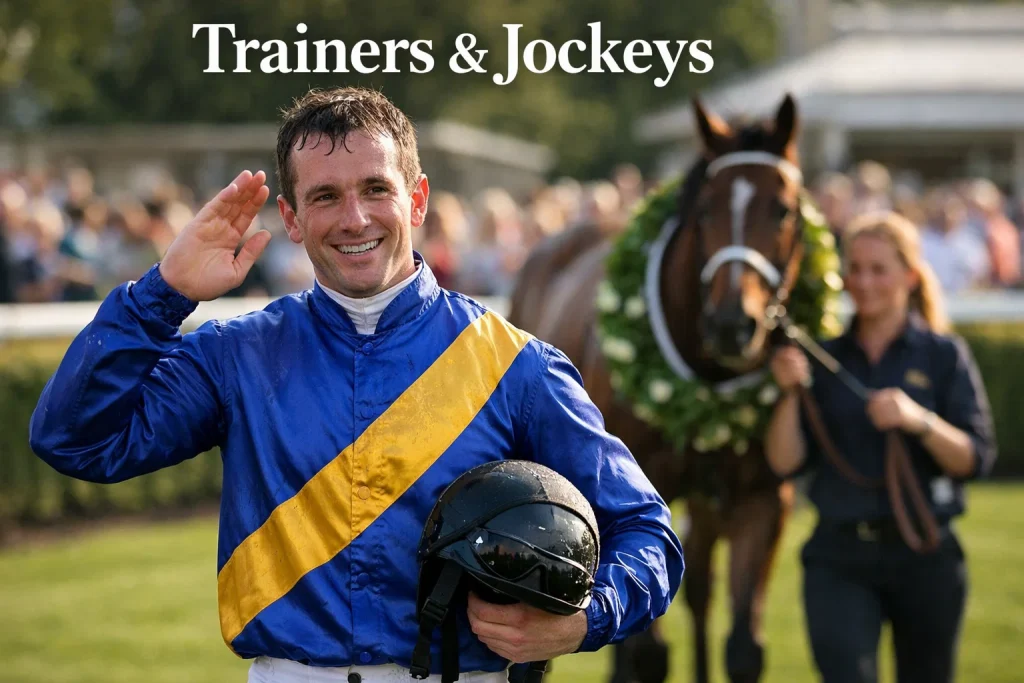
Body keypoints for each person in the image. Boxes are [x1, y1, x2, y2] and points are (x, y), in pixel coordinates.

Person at [28, 87, 684, 683]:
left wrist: (584, 619)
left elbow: (648, 531)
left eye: (376, 188)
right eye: (324, 196)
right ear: (290, 217)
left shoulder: (518, 365)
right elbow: (74, 440)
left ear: (417, 199)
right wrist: (161, 293)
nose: (354, 217)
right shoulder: (237, 353)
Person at [764, 211, 997, 683]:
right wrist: (789, 395)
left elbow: (975, 458)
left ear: (909, 277)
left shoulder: (943, 355)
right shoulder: (825, 357)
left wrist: (920, 421)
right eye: (854, 268)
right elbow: (784, 461)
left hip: (925, 553)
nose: (862, 281)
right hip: (839, 556)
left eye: (878, 269)